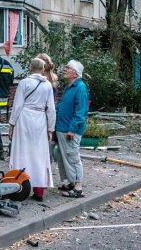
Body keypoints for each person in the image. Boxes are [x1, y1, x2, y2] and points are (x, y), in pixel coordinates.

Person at [8, 58, 56, 201]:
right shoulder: (47, 85)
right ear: (42, 69)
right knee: (39, 154)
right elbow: (51, 109)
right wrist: (50, 128)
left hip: (24, 119)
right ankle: (39, 190)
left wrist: (12, 124)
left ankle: (18, 184)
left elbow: (17, 106)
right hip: (40, 120)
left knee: (21, 151)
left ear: (30, 68)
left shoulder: (23, 83)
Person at [56, 60, 89, 198]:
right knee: (62, 157)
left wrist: (72, 129)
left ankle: (78, 187)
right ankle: (71, 182)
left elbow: (81, 111)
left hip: (70, 130)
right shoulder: (69, 87)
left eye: (68, 68)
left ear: (75, 73)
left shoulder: (80, 88)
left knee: (72, 156)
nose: (65, 69)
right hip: (62, 128)